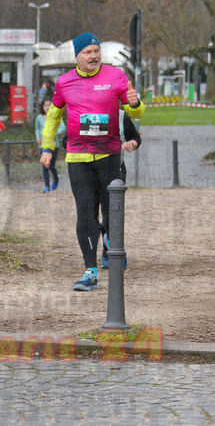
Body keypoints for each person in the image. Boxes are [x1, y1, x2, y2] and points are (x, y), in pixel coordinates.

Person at [39, 32, 145, 292]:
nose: (93, 55)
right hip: (78, 158)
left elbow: (137, 111)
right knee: (85, 214)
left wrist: (136, 103)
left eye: (96, 51)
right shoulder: (64, 82)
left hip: (109, 156)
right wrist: (47, 147)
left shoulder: (116, 77)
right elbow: (53, 118)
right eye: (87, 52)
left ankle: (112, 248)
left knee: (111, 212)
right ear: (77, 56)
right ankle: (90, 271)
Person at [100, 110, 142, 269]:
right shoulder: (84, 110)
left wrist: (131, 144)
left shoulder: (121, 115)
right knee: (90, 215)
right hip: (88, 170)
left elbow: (136, 138)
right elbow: (67, 141)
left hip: (116, 169)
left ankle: (111, 252)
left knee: (111, 214)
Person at [36, 99, 66, 193]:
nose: (47, 107)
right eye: (45, 105)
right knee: (44, 165)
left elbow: (63, 128)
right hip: (43, 146)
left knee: (51, 166)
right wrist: (37, 137)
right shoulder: (39, 118)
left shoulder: (55, 117)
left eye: (49, 105)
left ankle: (56, 178)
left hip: (54, 146)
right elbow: (37, 128)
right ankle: (47, 186)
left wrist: (53, 133)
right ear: (42, 107)